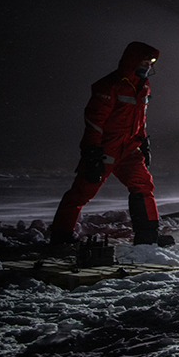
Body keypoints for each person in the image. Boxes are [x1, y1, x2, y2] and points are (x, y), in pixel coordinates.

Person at [50, 41, 163, 246]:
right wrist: (92, 151)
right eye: (144, 61)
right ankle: (61, 235)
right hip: (105, 148)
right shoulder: (109, 86)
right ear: (132, 61)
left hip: (129, 147)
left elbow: (140, 118)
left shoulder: (143, 85)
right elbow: (94, 120)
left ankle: (148, 237)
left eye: (149, 63)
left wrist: (143, 142)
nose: (147, 66)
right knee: (83, 191)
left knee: (143, 185)